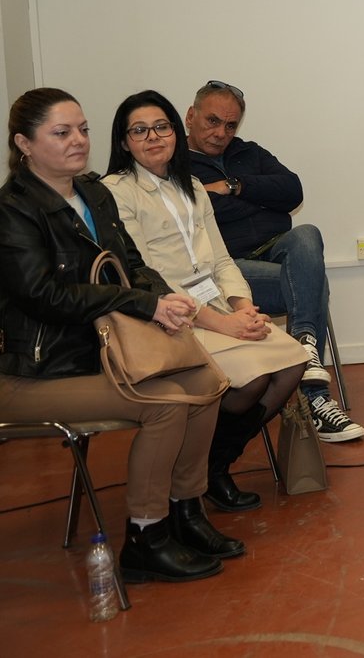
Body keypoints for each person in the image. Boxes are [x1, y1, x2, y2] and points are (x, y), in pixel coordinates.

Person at [0, 88, 243, 582]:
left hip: (102, 353)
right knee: (165, 405)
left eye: (83, 129)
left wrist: (166, 299)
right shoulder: (13, 210)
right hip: (36, 372)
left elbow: (131, 265)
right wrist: (143, 304)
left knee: (206, 382)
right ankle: (146, 537)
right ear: (24, 144)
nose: (78, 140)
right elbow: (46, 296)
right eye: (61, 132)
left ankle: (186, 510)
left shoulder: (94, 194)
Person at [104, 90, 309, 512]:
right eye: (139, 130)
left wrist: (242, 307)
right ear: (124, 141)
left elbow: (221, 260)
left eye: (161, 128)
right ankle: (200, 475)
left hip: (216, 306)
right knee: (253, 381)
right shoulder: (116, 192)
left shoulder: (193, 186)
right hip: (168, 317)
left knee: (293, 363)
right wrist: (223, 324)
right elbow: (146, 278)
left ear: (175, 132)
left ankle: (214, 466)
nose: (153, 137)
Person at [185, 80, 364, 442]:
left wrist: (233, 187)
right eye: (212, 121)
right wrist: (261, 200)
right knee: (312, 286)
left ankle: (304, 346)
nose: (221, 133)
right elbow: (194, 213)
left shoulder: (248, 152)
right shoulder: (174, 164)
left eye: (230, 125)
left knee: (307, 234)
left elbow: (292, 190)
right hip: (229, 268)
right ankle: (315, 396)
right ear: (191, 116)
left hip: (275, 248)